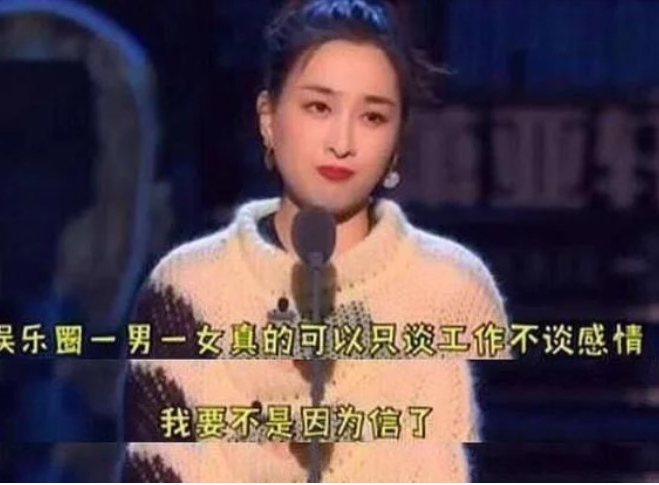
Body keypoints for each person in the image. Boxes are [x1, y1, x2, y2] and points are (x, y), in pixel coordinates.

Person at [124, 0, 509, 481]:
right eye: (319, 107)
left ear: (397, 140)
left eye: (372, 117)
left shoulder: (455, 288)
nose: (342, 142)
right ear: (268, 117)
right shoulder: (187, 287)